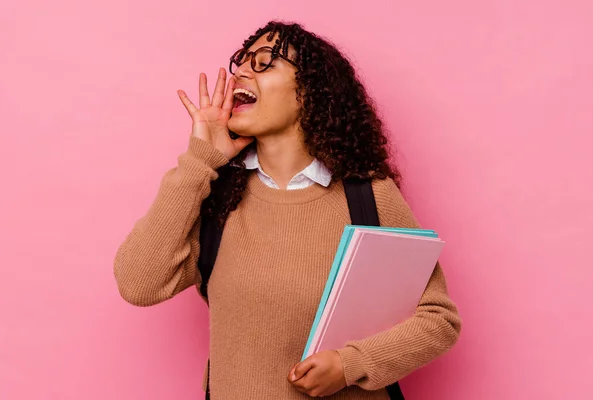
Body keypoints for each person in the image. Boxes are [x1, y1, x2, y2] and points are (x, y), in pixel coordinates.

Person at [114, 20, 462, 399]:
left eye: (264, 62)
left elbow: (437, 318)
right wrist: (201, 160)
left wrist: (350, 365)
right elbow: (138, 283)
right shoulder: (218, 199)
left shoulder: (368, 197)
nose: (242, 72)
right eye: (241, 62)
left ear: (307, 93)